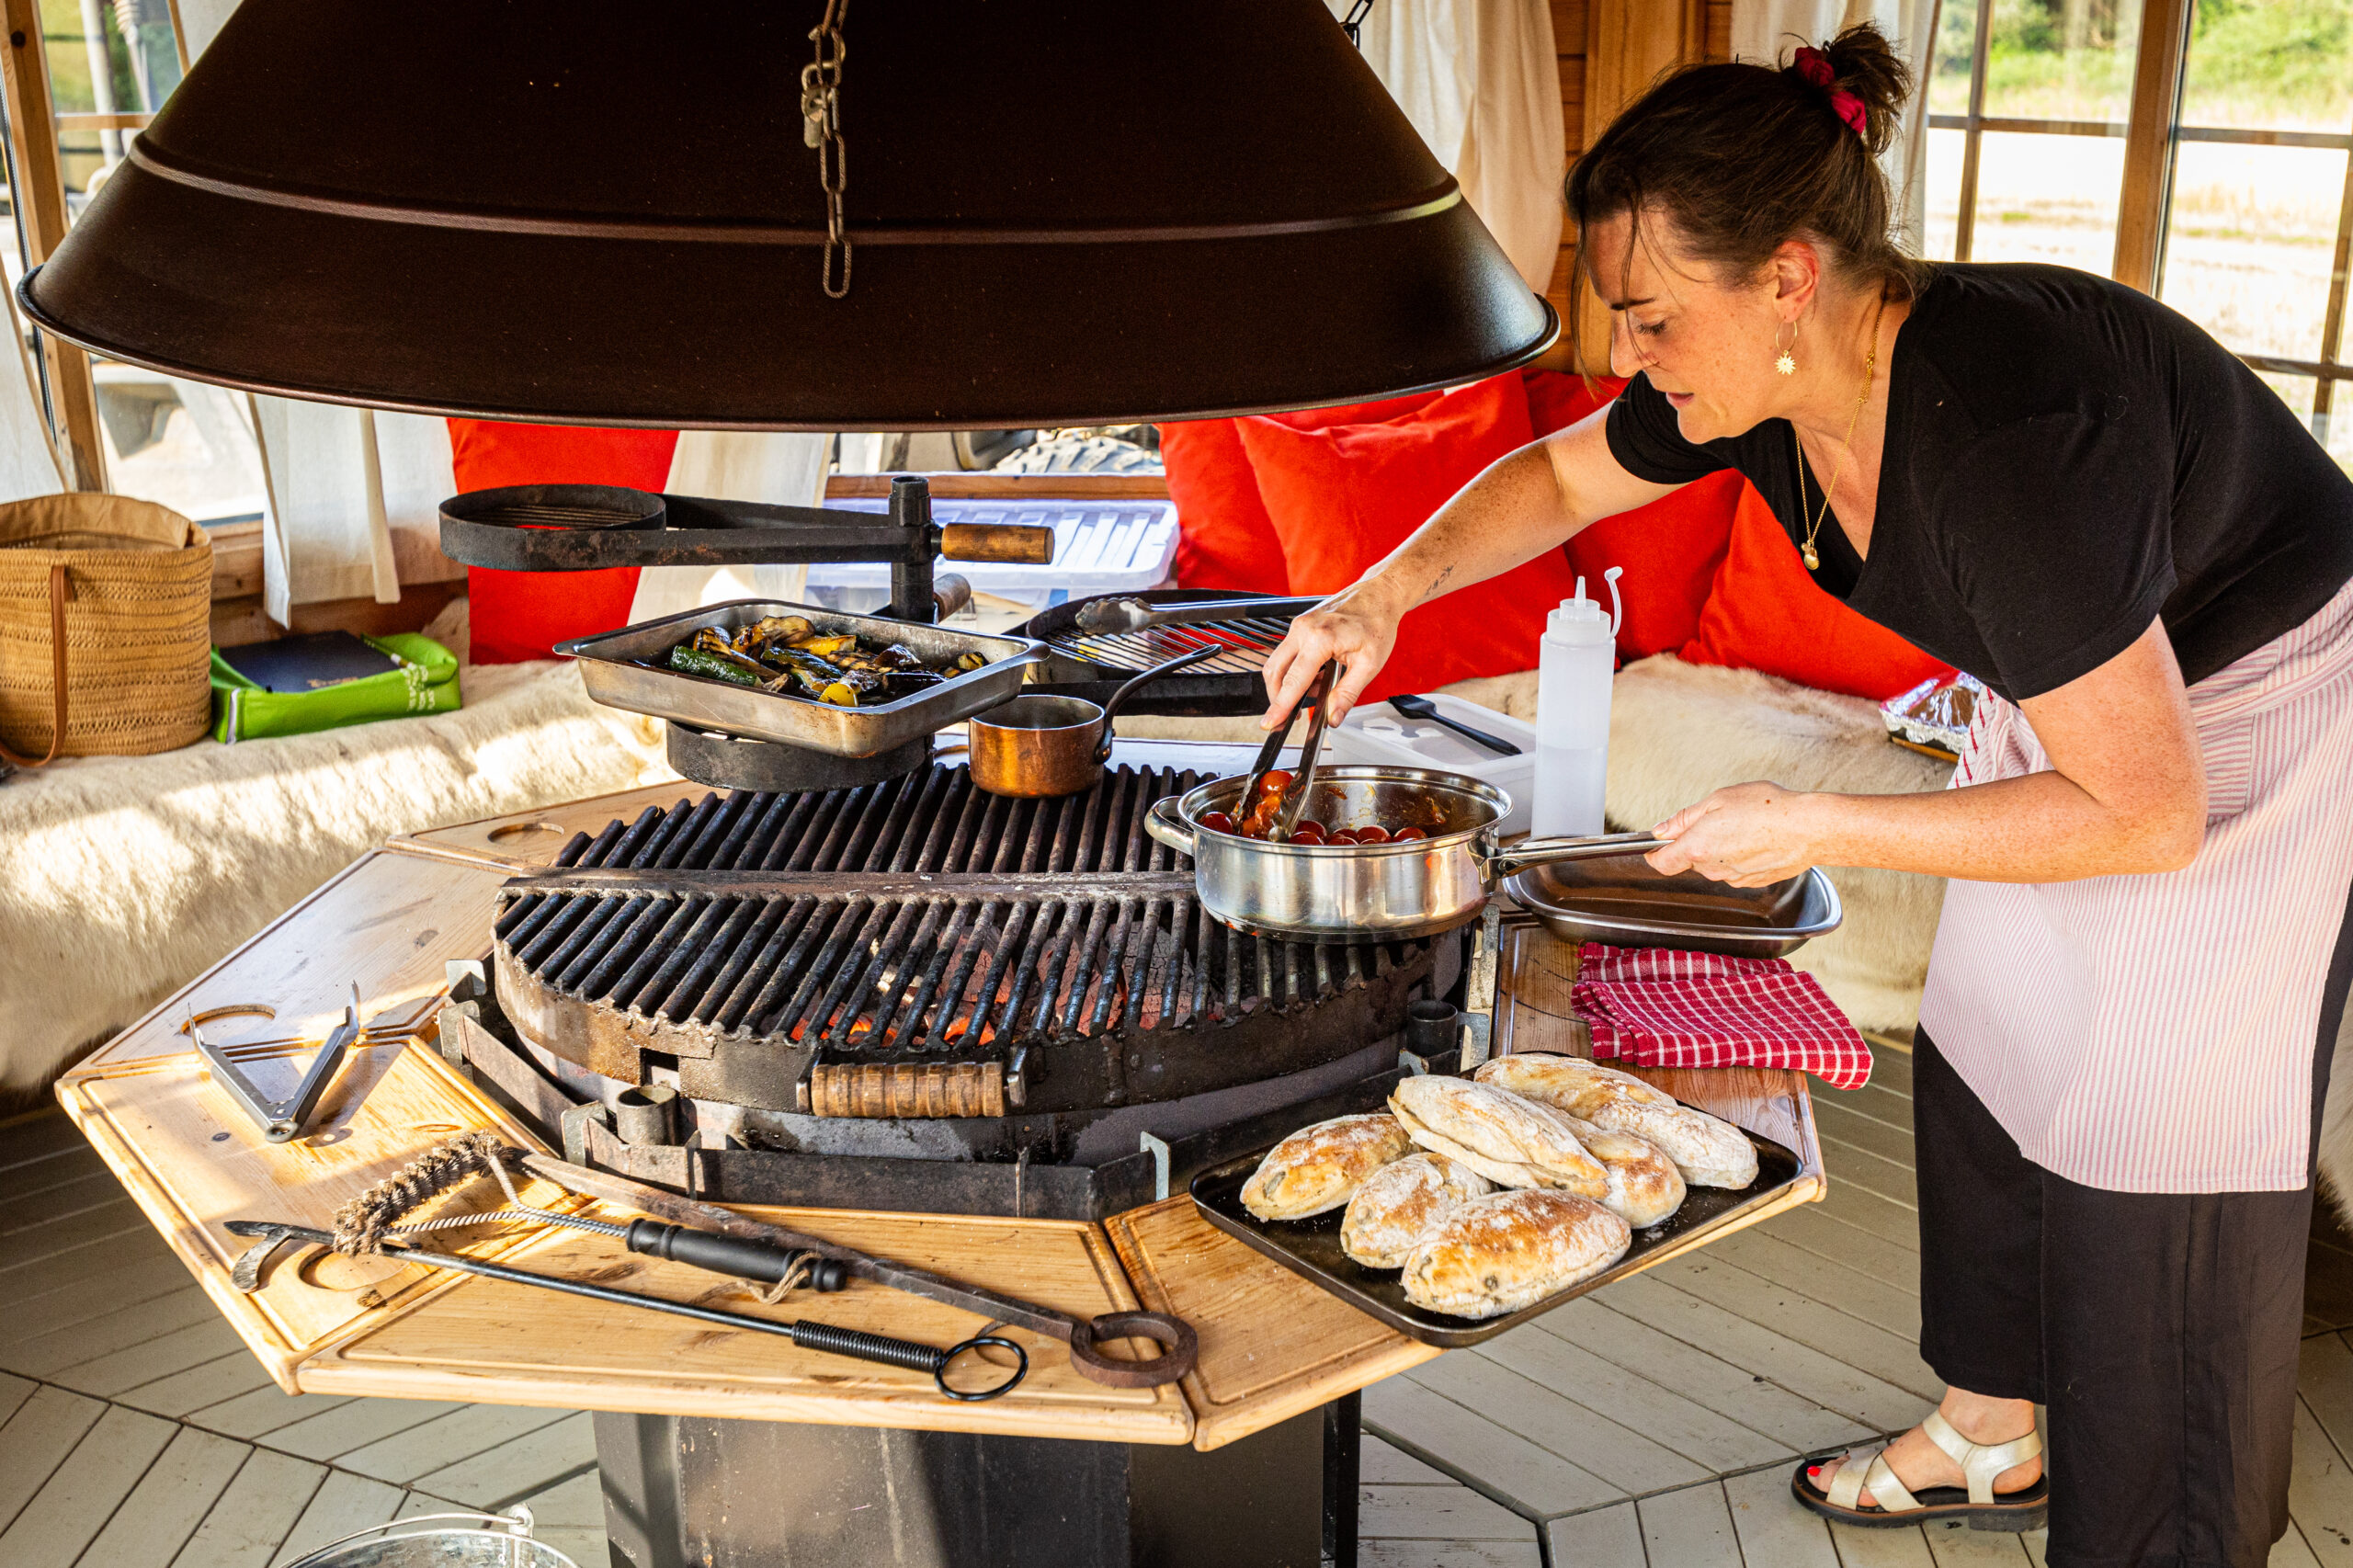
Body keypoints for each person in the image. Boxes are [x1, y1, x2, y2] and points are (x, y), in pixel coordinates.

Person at [1256, 25, 2353, 1566]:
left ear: (1788, 277)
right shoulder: (1762, 388)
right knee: (1992, 1025)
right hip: (2089, 686)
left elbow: (2148, 813)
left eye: (1646, 320)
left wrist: (1814, 818)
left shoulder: (2001, 441)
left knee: (2152, 1144)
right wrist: (1380, 595)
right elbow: (1565, 477)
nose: (1626, 357)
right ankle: (1990, 1433)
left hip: (2252, 707)